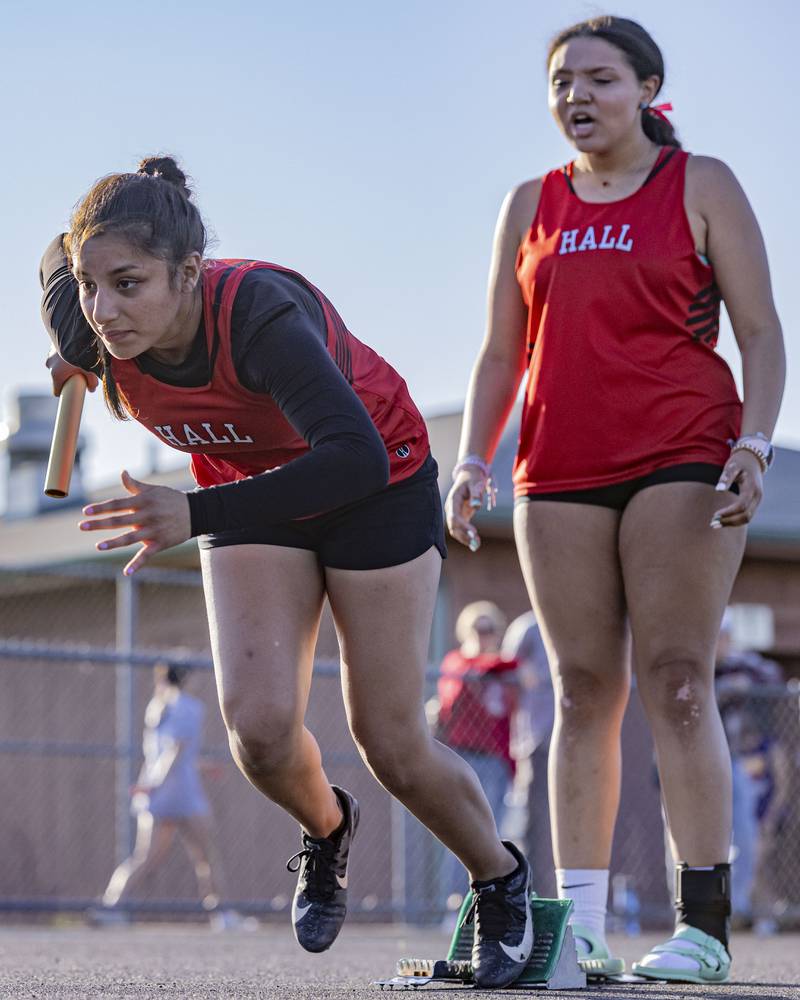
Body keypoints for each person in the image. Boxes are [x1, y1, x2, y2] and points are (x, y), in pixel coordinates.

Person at [41, 156, 534, 989]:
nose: (105, 308)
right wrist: (70, 350)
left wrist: (189, 516)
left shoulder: (262, 317)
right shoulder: (86, 314)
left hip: (373, 479)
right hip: (249, 490)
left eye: (128, 285)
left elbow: (352, 455)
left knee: (390, 739)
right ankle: (327, 828)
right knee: (260, 735)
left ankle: (501, 881)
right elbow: (61, 257)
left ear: (189, 274)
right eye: (93, 287)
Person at [445, 15, 785, 985]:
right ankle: (580, 928)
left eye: (596, 78)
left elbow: (760, 333)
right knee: (579, 690)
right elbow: (499, 351)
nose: (575, 96)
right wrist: (470, 459)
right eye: (560, 82)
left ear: (645, 89)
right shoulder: (528, 202)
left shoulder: (702, 183)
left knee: (677, 678)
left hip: (683, 451)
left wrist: (753, 444)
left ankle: (703, 927)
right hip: (555, 466)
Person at [96, 662, 234, 927]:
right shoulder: (189, 707)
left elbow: (172, 755)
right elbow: (174, 750)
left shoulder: (156, 706)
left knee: (144, 857)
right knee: (206, 857)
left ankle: (111, 908)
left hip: (158, 794)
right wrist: (155, 784)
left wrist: (199, 767)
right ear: (186, 678)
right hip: (181, 794)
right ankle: (223, 915)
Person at [436, 602, 517, 911]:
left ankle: (490, 903)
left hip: (496, 760)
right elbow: (468, 675)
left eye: (491, 629)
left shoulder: (506, 671)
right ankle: (454, 904)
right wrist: (505, 666)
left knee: (494, 833)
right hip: (465, 757)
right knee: (460, 832)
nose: (485, 636)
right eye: (478, 629)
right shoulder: (458, 663)